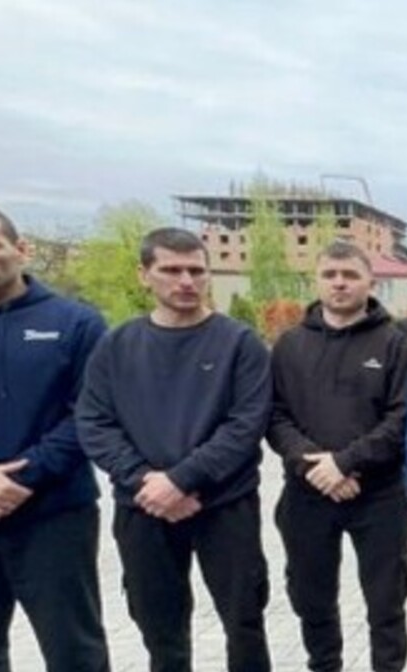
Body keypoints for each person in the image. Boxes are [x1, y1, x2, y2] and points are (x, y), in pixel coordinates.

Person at [77, 227, 273, 672]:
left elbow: (245, 425)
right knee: (159, 627)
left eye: (196, 271)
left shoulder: (239, 343)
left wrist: (182, 480)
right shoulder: (117, 345)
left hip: (225, 504)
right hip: (143, 507)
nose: (185, 280)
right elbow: (93, 421)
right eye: (170, 270)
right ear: (144, 274)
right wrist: (147, 481)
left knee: (243, 621)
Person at [0, 202, 111, 671]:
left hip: (53, 517)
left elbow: (92, 414)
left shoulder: (77, 323)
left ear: (21, 250)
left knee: (74, 652)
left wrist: (20, 480)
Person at [268, 241, 407, 672]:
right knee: (311, 598)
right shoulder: (290, 345)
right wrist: (316, 465)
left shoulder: (394, 343)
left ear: (370, 282)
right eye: (330, 274)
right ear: (317, 280)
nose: (340, 283)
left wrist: (346, 463)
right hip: (307, 493)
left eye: (350, 275)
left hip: (379, 495)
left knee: (387, 602)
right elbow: (274, 417)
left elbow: (403, 417)